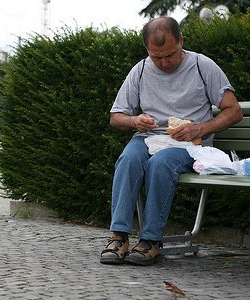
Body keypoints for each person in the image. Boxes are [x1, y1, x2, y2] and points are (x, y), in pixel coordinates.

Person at [100, 16, 242, 266]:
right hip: (148, 137)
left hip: (191, 145)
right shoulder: (141, 69)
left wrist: (199, 128)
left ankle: (151, 241)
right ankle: (119, 237)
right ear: (147, 50)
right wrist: (135, 122)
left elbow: (234, 110)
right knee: (128, 159)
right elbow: (116, 117)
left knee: (161, 163)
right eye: (157, 57)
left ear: (181, 41)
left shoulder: (202, 66)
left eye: (170, 55)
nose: (164, 63)